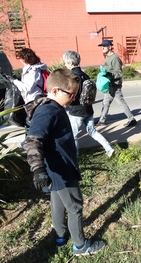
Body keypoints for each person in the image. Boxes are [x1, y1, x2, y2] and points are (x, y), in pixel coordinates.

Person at [23, 68, 105, 256]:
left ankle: (60, 236)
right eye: (71, 94)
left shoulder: (53, 107)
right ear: (55, 91)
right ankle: (80, 246)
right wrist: (38, 169)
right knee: (75, 206)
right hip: (60, 169)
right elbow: (32, 140)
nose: (73, 98)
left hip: (56, 170)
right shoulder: (48, 112)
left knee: (57, 202)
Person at [62, 50, 114, 157]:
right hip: (88, 110)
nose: (65, 65)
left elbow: (71, 95)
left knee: (74, 135)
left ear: (71, 63)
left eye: (66, 63)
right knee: (93, 132)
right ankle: (109, 149)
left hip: (76, 111)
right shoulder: (85, 75)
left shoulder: (72, 77)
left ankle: (76, 156)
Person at [97, 39, 137, 127]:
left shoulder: (114, 58)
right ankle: (102, 120)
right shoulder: (107, 57)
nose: (102, 48)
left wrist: (108, 75)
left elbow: (119, 73)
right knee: (105, 103)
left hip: (115, 86)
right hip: (109, 85)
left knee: (121, 103)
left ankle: (132, 119)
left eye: (104, 46)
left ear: (110, 47)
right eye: (102, 47)